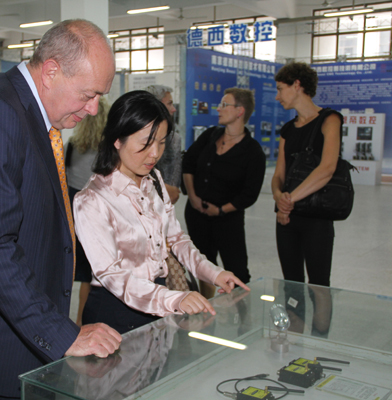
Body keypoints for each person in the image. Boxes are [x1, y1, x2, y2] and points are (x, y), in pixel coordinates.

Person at [0, 20, 122, 400]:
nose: (93, 108)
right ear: (50, 71)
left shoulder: (23, 109)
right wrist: (62, 334)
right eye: (88, 94)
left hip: (21, 329)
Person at [73, 90, 250, 335]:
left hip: (159, 299)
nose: (155, 153)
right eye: (146, 143)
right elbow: (111, 274)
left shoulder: (153, 179)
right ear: (117, 140)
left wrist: (213, 273)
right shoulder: (92, 200)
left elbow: (176, 239)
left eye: (162, 142)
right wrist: (173, 299)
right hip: (116, 312)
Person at [182, 88, 266, 299]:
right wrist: (193, 197)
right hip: (196, 215)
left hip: (228, 221)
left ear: (240, 111)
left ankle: (243, 314)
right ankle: (206, 308)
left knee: (237, 270)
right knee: (202, 265)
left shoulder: (253, 151)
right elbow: (188, 163)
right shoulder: (210, 135)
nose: (218, 109)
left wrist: (220, 210)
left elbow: (249, 194)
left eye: (224, 105)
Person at [271, 62, 343, 287]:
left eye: (280, 89)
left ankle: (319, 315)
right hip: (287, 218)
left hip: (316, 217)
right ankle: (294, 314)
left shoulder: (330, 120)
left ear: (297, 85)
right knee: (291, 283)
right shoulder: (288, 129)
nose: (277, 96)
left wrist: (287, 201)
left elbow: (327, 168)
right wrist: (278, 197)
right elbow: (279, 175)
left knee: (319, 284)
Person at [65, 96, 110, 326]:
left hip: (72, 213)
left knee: (72, 270)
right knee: (92, 274)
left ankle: (69, 322)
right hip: (98, 215)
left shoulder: (71, 146)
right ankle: (84, 321)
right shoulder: (110, 151)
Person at [144, 84, 182, 204]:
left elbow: (173, 192)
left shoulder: (174, 139)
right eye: (169, 103)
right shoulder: (132, 136)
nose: (174, 109)